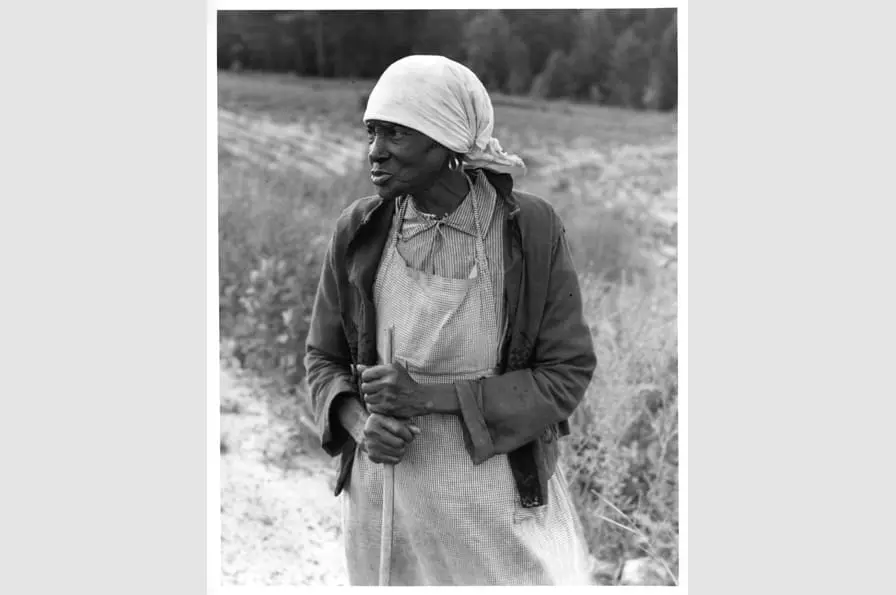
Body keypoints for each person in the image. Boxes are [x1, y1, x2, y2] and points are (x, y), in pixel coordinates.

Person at [304, 54, 597, 586]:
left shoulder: (527, 229)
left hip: (494, 508)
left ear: (444, 141)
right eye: (372, 132)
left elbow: (565, 374)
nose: (375, 152)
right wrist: (359, 424)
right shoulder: (359, 230)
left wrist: (426, 398)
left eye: (395, 134)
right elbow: (322, 359)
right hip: (384, 507)